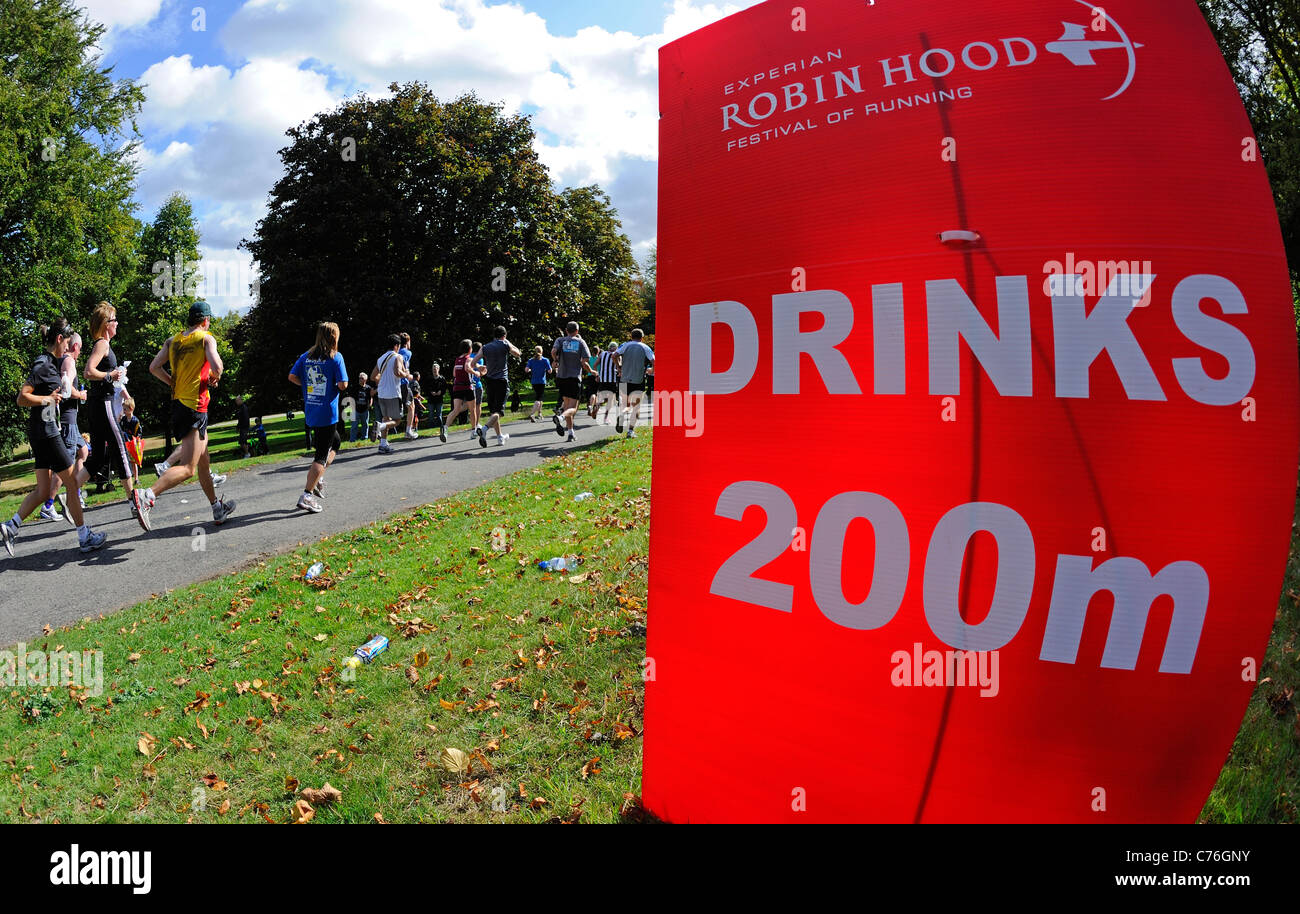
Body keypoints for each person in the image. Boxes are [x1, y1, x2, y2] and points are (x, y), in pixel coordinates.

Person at [1, 319, 107, 556]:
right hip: (47, 434)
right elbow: (22, 398)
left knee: (42, 491)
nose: (68, 348)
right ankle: (84, 536)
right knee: (72, 484)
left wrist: (54, 396)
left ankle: (11, 526)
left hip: (40, 433)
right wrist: (47, 399)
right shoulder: (43, 365)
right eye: (67, 343)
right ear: (59, 339)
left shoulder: (49, 363)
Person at [133, 301, 235, 531]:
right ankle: (147, 495)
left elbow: (154, 367)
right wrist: (214, 378)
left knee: (203, 462)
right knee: (189, 467)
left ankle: (216, 507)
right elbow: (217, 365)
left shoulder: (173, 341)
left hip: (179, 404)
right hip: (195, 407)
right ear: (205, 320)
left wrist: (173, 383)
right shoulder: (206, 338)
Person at [289, 322, 348, 513]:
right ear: (334, 337)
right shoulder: (335, 357)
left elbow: (292, 376)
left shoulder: (306, 356)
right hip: (327, 413)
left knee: (336, 443)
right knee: (321, 454)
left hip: (312, 410)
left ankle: (318, 477)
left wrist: (309, 388)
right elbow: (342, 384)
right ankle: (306, 494)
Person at [79, 302, 135, 500]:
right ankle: (134, 499)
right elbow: (88, 372)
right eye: (114, 320)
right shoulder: (102, 344)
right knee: (120, 446)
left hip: (97, 405)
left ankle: (71, 496)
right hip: (103, 403)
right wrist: (110, 376)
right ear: (106, 324)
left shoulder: (105, 345)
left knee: (98, 458)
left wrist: (115, 376)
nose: (117, 323)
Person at [45, 331, 89, 521]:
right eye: (80, 350)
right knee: (65, 466)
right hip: (67, 421)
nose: (79, 354)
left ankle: (76, 494)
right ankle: (49, 504)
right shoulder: (69, 361)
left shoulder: (61, 360)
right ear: (76, 347)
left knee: (84, 452)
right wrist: (81, 395)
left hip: (71, 422)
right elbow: (66, 387)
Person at [551, 322, 594, 443]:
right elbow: (585, 362)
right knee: (573, 408)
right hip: (574, 377)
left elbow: (553, 351)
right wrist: (592, 371)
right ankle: (561, 417)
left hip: (562, 377)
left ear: (566, 330)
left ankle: (571, 433)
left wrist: (556, 360)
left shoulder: (560, 340)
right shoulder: (580, 342)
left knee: (567, 405)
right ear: (577, 331)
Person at [478, 326, 521, 447]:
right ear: (504, 335)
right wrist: (508, 343)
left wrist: (479, 367)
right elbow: (518, 353)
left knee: (493, 411)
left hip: (490, 382)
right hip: (501, 381)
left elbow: (472, 362)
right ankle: (484, 429)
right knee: (498, 412)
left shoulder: (486, 347)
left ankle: (499, 437)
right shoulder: (505, 345)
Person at [370, 334, 411, 455]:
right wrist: (406, 374)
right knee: (397, 420)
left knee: (386, 418)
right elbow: (398, 372)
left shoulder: (380, 358)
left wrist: (383, 381)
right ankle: (380, 427)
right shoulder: (398, 356)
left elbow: (373, 376)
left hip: (382, 393)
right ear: (396, 346)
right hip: (393, 392)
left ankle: (383, 444)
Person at [615, 328, 656, 438]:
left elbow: (614, 355)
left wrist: (618, 367)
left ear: (631, 336)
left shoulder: (625, 345)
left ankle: (622, 414)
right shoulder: (645, 347)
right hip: (638, 380)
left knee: (625, 404)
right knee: (636, 407)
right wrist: (652, 370)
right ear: (642, 338)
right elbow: (654, 360)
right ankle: (630, 431)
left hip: (624, 379)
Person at [442, 339, 482, 439]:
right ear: (469, 349)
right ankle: (474, 431)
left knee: (456, 410)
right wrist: (476, 373)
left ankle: (445, 428)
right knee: (472, 410)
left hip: (457, 387)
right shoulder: (468, 359)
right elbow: (467, 368)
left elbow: (454, 374)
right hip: (467, 387)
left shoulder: (457, 359)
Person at [119, 396, 143, 486]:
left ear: (131, 409)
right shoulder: (123, 420)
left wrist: (137, 440)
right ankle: (126, 478)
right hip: (125, 443)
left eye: (125, 409)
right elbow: (120, 429)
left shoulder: (135, 421)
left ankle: (136, 478)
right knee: (126, 461)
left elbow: (139, 432)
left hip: (133, 444)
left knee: (134, 462)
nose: (124, 411)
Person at [594, 342, 620, 423]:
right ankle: (606, 417)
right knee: (610, 399)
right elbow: (619, 367)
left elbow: (595, 365)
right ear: (616, 348)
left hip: (603, 380)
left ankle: (596, 408)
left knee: (601, 397)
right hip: (612, 380)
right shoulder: (617, 355)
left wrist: (597, 375)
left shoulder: (602, 354)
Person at [399, 332, 417, 440]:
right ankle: (408, 431)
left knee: (394, 411)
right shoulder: (407, 353)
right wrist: (407, 374)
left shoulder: (396, 352)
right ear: (407, 342)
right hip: (404, 383)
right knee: (411, 407)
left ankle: (381, 427)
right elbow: (403, 365)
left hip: (395, 384)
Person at [526, 346, 551, 422]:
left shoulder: (531, 360)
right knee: (538, 399)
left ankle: (540, 413)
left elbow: (526, 370)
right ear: (542, 351)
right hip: (541, 381)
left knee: (540, 398)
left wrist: (531, 369)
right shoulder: (545, 360)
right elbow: (550, 371)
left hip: (534, 382)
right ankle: (532, 414)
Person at [425, 363, 447, 438]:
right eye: (433, 368)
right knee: (431, 414)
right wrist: (431, 392)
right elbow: (426, 388)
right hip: (431, 399)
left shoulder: (442, 379)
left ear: (438, 369)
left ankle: (441, 427)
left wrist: (441, 391)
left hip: (439, 399)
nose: (435, 370)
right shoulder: (429, 379)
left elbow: (444, 388)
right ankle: (431, 427)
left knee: (439, 414)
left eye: (436, 368)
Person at [351, 373, 371, 443]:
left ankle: (365, 438)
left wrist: (370, 405)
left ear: (365, 379)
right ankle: (352, 439)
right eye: (359, 378)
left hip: (365, 409)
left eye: (361, 378)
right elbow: (351, 398)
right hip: (356, 409)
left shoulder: (368, 388)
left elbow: (370, 397)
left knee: (365, 424)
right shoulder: (355, 387)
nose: (360, 379)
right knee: (354, 425)